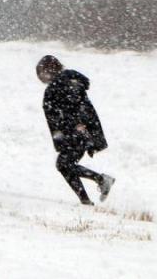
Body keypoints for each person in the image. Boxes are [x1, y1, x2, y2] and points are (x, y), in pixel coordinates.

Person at [36, 55, 115, 205]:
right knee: (64, 164)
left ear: (50, 69)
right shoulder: (65, 83)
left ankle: (101, 181)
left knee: (64, 164)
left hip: (76, 132)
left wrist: (79, 128)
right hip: (75, 132)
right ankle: (86, 199)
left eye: (41, 73)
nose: (40, 77)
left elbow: (75, 109)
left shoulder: (62, 84)